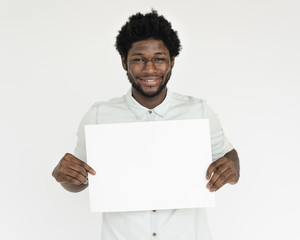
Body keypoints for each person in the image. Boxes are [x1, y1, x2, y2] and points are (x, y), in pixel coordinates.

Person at [52, 10, 240, 240]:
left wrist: (231, 171)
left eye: (159, 59)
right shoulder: (99, 115)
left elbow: (229, 157)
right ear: (124, 61)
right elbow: (79, 181)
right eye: (139, 59)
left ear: (172, 61)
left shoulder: (199, 111)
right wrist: (65, 176)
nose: (150, 69)